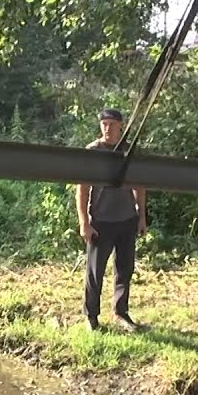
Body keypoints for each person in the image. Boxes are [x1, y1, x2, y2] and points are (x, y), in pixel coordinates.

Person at [76, 108, 146, 332]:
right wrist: (84, 222)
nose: (107, 128)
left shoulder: (128, 151)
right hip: (101, 221)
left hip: (126, 219)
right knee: (95, 271)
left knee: (125, 268)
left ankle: (121, 312)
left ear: (121, 126)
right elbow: (82, 189)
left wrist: (141, 215)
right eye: (104, 124)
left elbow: (140, 185)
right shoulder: (92, 151)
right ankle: (91, 316)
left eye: (112, 124)